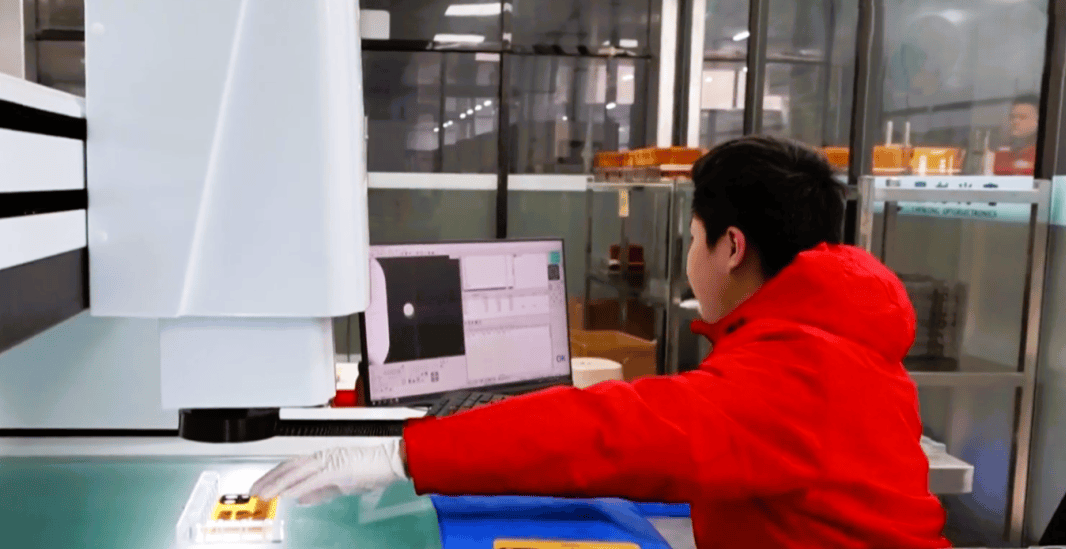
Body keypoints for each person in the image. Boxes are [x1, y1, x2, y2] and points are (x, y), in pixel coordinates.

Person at [252, 136, 949, 548]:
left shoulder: (802, 370)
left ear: (732, 247)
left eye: (692, 238)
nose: (689, 257)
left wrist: (403, 452)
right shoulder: (839, 336)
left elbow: (612, 432)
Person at [991, 94, 1039, 175]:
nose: (1015, 122)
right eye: (1012, 117)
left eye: (1023, 117)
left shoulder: (1045, 154)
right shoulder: (1002, 152)